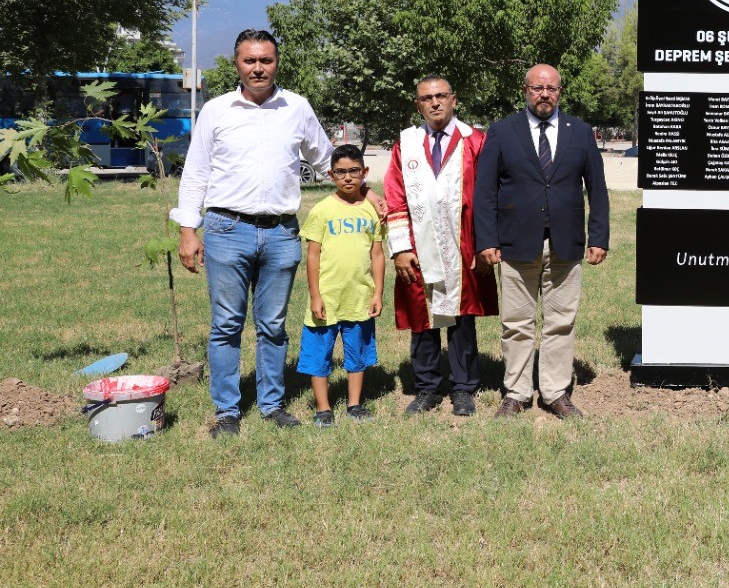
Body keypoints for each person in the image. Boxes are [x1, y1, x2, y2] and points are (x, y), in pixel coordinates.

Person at [173, 29, 341, 437]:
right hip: (226, 229)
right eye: (250, 60)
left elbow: (326, 159)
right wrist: (187, 230)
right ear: (236, 64)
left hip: (282, 233)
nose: (258, 67)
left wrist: (362, 192)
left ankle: (271, 405)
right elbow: (196, 172)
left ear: (276, 62)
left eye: (266, 59)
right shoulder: (215, 110)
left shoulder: (296, 107)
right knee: (227, 325)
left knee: (273, 325)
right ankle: (228, 411)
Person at [474, 64, 609, 419]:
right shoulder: (503, 131)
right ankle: (516, 393)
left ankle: (554, 392)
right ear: (525, 90)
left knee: (560, 321)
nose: (544, 94)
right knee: (516, 323)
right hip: (516, 243)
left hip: (566, 243)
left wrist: (599, 236)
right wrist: (486, 238)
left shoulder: (580, 132)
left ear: (560, 92)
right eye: (537, 88)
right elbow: (485, 191)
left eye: (550, 88)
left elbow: (597, 189)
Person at [385, 76, 497, 417]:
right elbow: (395, 195)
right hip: (418, 245)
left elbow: (490, 194)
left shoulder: (475, 141)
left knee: (461, 317)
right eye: (426, 98)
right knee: (423, 317)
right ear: (417, 105)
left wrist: (485, 243)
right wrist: (401, 247)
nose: (435, 103)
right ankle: (427, 387)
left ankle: (464, 388)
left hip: (463, 244)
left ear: (454, 100)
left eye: (441, 96)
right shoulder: (406, 143)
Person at [297, 145, 386, 427]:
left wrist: (378, 293)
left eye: (353, 171)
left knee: (357, 353)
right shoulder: (323, 210)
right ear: (330, 174)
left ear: (364, 172)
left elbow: (377, 254)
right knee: (319, 353)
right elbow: (312, 254)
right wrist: (315, 295)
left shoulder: (372, 212)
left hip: (359, 296)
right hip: (328, 298)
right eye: (340, 172)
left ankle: (355, 404)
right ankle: (323, 408)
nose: (347, 177)